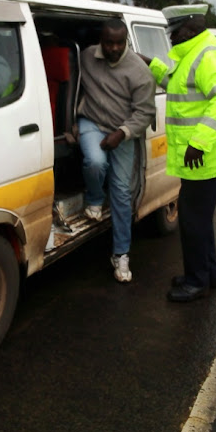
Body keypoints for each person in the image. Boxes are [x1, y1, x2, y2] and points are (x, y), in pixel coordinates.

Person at [146, 4, 216, 302]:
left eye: (173, 32)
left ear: (190, 29)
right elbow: (178, 86)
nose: (171, 38)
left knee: (192, 222)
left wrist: (199, 142)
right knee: (198, 221)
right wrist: (150, 65)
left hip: (205, 157)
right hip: (201, 158)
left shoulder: (208, 55)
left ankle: (196, 281)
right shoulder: (194, 52)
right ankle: (207, 274)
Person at [77, 18, 156, 283]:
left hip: (122, 131)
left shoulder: (139, 72)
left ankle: (121, 254)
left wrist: (121, 133)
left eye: (119, 43)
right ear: (101, 40)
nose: (113, 48)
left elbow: (145, 113)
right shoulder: (88, 56)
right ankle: (95, 198)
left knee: (122, 192)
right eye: (108, 42)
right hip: (91, 121)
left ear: (126, 42)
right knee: (96, 162)